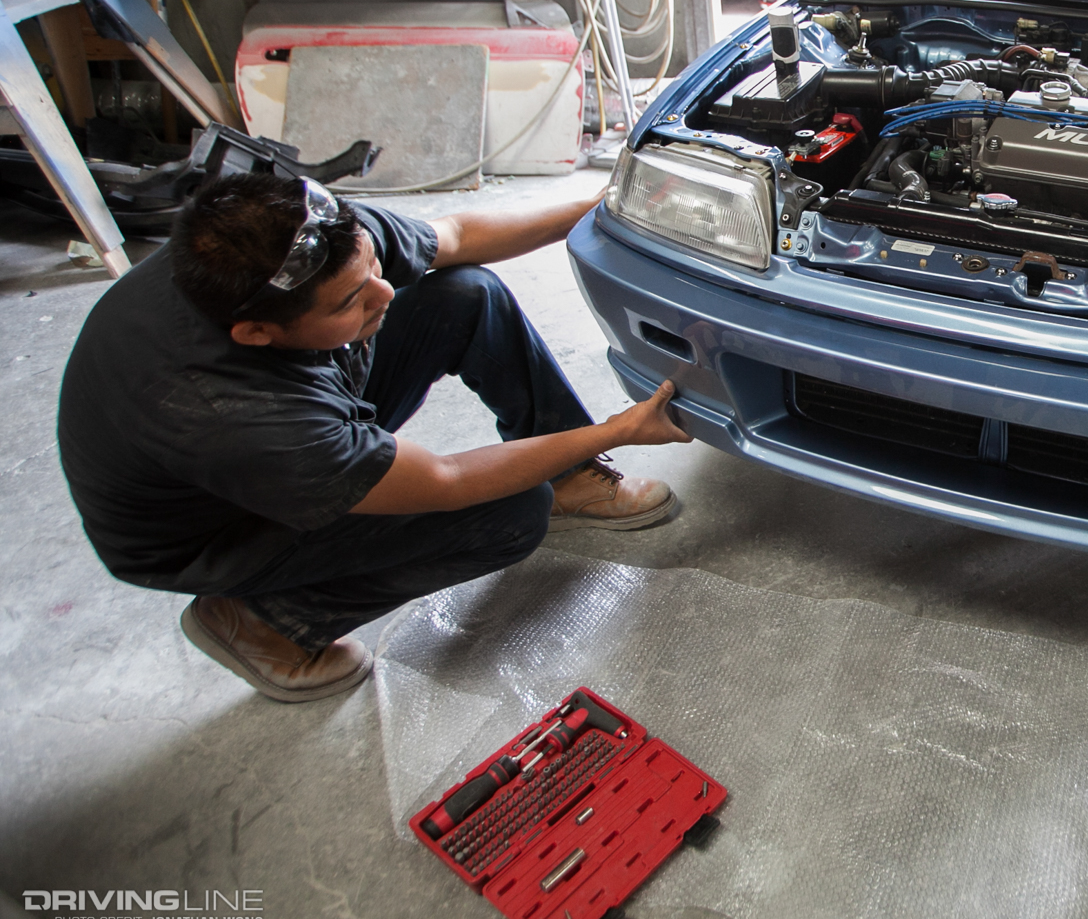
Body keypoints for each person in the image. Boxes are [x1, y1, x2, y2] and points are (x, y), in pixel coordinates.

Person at [58, 172, 692, 704]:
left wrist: (603, 207)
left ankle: (567, 473)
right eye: (349, 303)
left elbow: (456, 236)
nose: (385, 293)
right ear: (256, 333)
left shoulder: (304, 240)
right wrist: (617, 429)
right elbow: (447, 480)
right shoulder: (234, 416)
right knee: (510, 512)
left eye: (371, 273)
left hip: (294, 413)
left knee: (464, 293)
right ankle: (266, 619)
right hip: (222, 528)